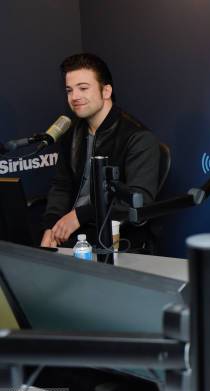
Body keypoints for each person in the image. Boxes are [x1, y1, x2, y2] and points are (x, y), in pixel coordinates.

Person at [40, 53, 160, 249]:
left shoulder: (138, 138)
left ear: (106, 91)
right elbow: (61, 186)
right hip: (73, 234)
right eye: (69, 90)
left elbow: (139, 200)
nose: (75, 97)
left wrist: (80, 215)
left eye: (83, 88)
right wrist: (50, 226)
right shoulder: (73, 133)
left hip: (116, 236)